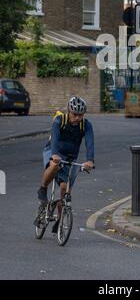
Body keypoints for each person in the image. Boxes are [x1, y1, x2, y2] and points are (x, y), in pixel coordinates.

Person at [37, 96, 94, 233]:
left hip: (70, 158)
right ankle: (43, 188)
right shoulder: (59, 120)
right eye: (75, 114)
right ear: (69, 111)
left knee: (65, 189)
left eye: (81, 115)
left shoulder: (86, 125)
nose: (78, 118)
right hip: (53, 151)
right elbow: (55, 138)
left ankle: (60, 219)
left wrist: (90, 160)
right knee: (54, 165)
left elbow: (90, 142)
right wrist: (55, 154)